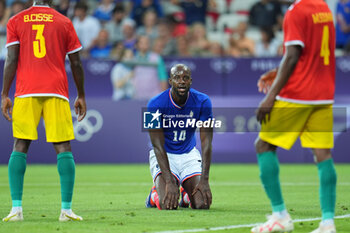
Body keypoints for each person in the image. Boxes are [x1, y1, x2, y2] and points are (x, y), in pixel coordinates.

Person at [252, 0, 337, 233]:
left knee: (264, 145)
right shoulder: (324, 8)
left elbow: (292, 55)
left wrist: (270, 96)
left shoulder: (295, 11)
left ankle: (280, 216)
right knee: (322, 154)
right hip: (323, 94)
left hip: (298, 95)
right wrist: (278, 72)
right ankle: (328, 223)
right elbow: (308, 55)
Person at [1, 0, 86, 222]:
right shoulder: (64, 21)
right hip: (56, 90)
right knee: (63, 146)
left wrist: (4, 94)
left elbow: (11, 59)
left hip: (26, 90)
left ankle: (16, 209)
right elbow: (76, 63)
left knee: (20, 144)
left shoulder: (16, 20)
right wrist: (81, 95)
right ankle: (66, 210)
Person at [145, 64, 213, 210]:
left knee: (202, 204)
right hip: (165, 155)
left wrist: (205, 180)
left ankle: (185, 194)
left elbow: (206, 142)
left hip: (189, 154)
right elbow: (157, 145)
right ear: (170, 81)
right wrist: (169, 181)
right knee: (167, 204)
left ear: (190, 81)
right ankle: (154, 194)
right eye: (177, 78)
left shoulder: (203, 101)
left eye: (185, 78)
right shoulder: (154, 104)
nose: (181, 81)